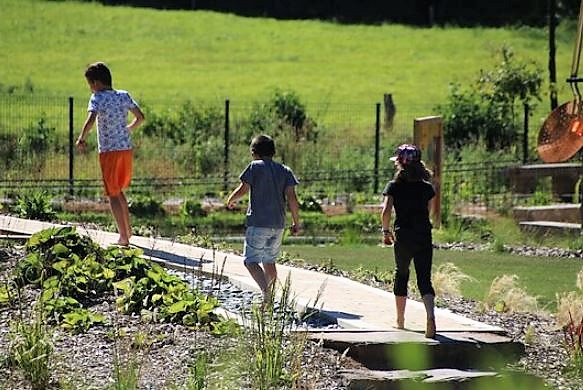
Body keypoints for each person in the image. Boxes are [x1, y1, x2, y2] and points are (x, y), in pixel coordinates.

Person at [76, 62, 144, 246]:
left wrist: (82, 138)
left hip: (109, 151)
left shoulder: (97, 97)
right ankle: (128, 232)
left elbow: (90, 120)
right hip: (125, 149)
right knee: (119, 190)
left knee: (112, 193)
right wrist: (127, 129)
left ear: (96, 83)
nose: (90, 88)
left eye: (90, 84)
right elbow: (140, 117)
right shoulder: (123, 95)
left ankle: (123, 238)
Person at [226, 135, 300, 303]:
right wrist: (296, 222)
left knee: (250, 261)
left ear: (253, 153)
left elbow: (243, 189)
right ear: (273, 152)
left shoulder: (254, 167)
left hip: (258, 224)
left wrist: (231, 199)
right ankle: (269, 297)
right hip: (278, 225)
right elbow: (293, 199)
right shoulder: (285, 170)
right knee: (269, 261)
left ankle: (266, 292)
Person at [380, 143, 437, 338]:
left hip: (403, 235)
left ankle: (400, 320)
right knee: (424, 279)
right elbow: (429, 211)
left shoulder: (394, 186)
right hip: (423, 234)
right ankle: (430, 317)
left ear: (400, 164)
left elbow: (386, 211)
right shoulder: (427, 187)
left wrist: (386, 231)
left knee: (402, 274)